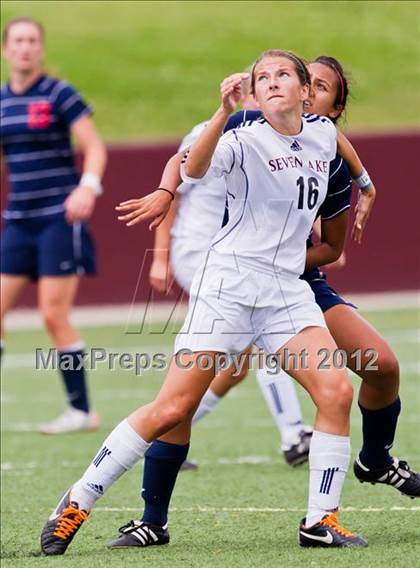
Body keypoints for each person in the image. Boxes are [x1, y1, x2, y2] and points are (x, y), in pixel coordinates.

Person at [40, 49, 371, 554]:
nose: (272, 83)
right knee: (173, 407)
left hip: (285, 289)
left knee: (336, 392)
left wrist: (365, 184)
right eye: (263, 78)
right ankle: (78, 499)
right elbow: (191, 164)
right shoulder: (241, 136)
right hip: (230, 288)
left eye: (284, 75)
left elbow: (338, 143)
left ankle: (319, 520)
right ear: (254, 94)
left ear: (306, 92)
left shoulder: (321, 134)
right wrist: (216, 120)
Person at [150, 74, 313, 469]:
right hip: (202, 252)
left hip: (242, 258)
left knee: (234, 367)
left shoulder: (285, 139)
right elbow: (173, 192)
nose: (272, 91)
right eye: (262, 83)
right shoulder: (214, 132)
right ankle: (293, 433)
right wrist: (159, 256)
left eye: (281, 80)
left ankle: (158, 436)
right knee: (264, 338)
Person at [0, 17, 107, 433]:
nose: (25, 48)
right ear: (7, 50)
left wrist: (88, 187)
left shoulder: (59, 94)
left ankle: (81, 410)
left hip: (58, 220)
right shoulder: (3, 101)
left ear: (40, 49)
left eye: (32, 41)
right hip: (18, 221)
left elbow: (94, 146)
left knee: (51, 313)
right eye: (17, 41)